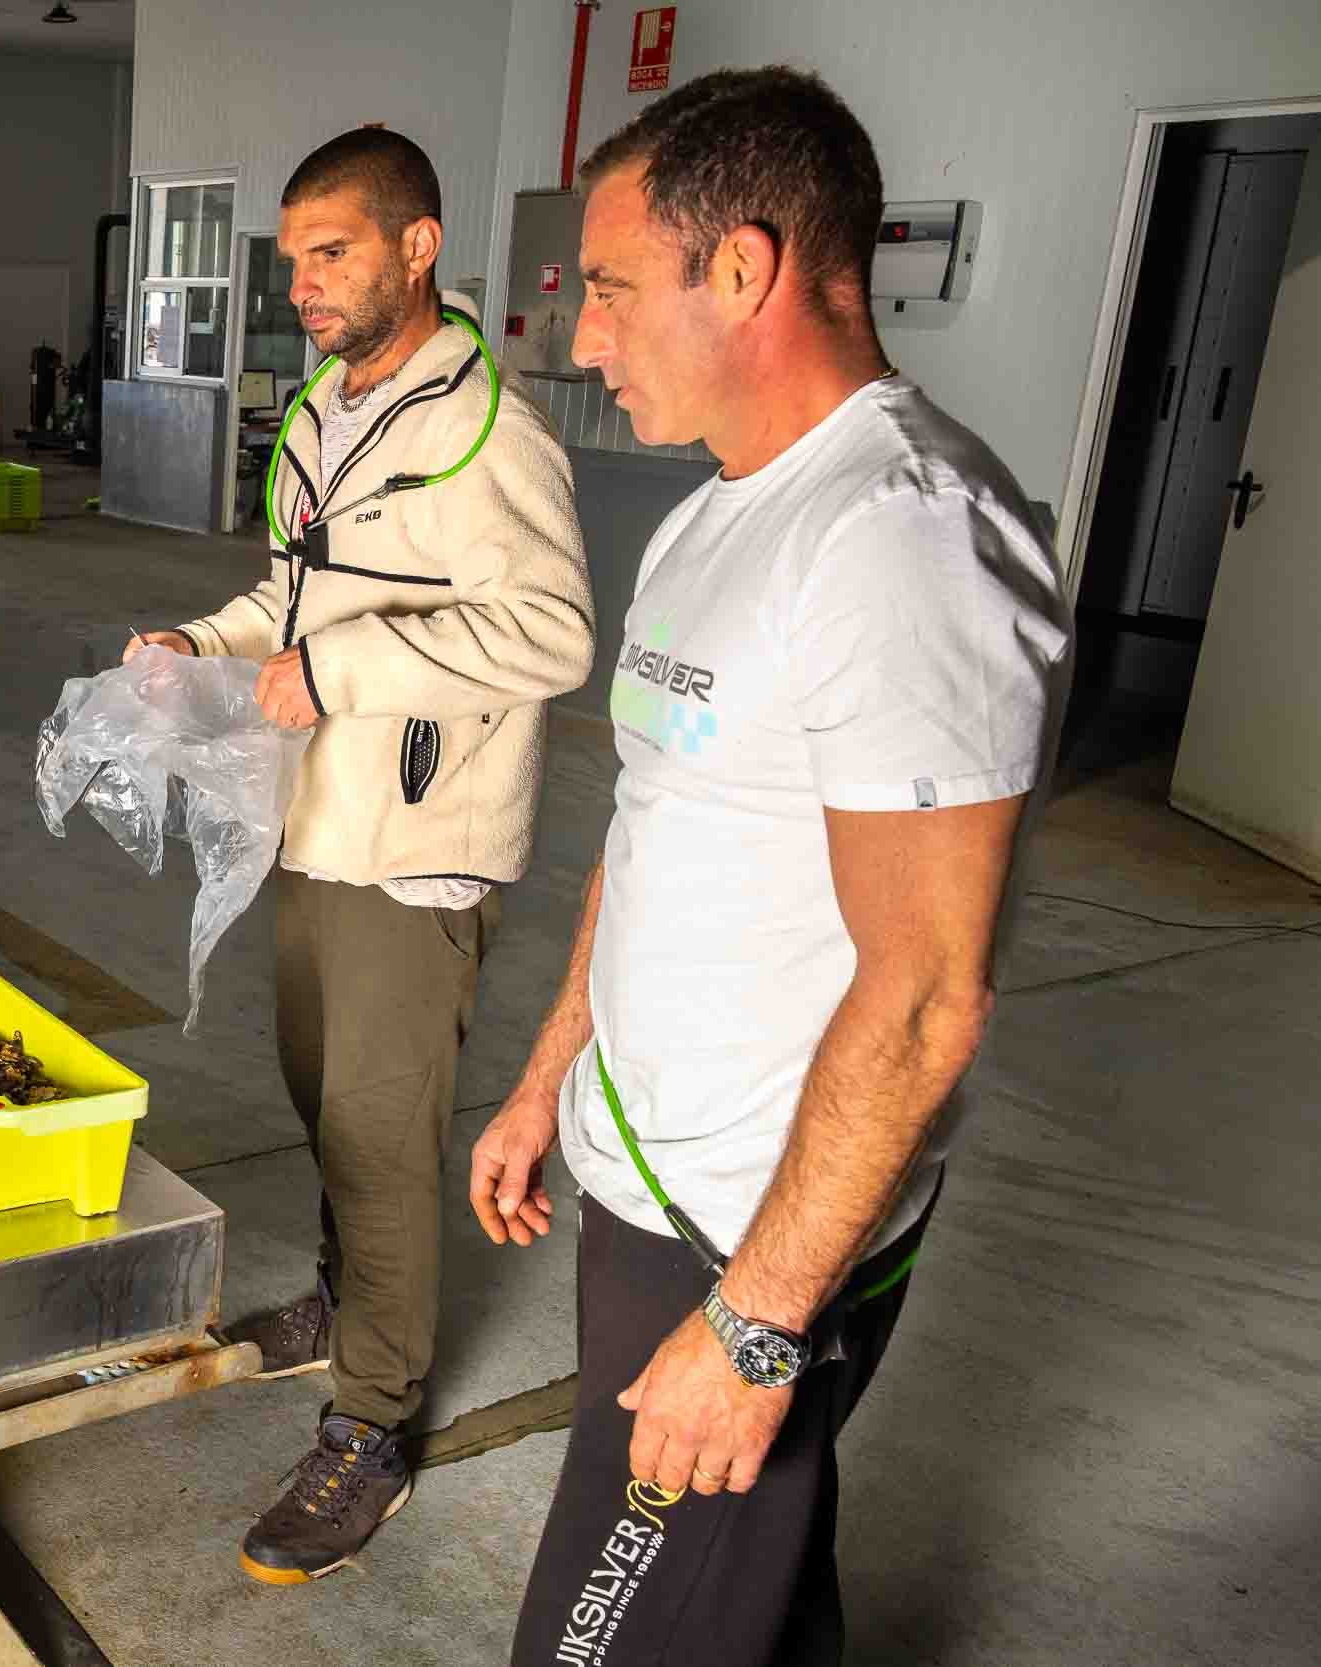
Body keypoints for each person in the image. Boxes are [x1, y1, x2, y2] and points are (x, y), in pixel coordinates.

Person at [467, 68, 1070, 1664]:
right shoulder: (717, 512)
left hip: (754, 1231)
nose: (579, 338)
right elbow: (654, 828)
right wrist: (552, 1075)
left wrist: (753, 1320)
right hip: (654, 1177)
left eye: (605, 287)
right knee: (754, 1588)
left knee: (600, 1640)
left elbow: (931, 988)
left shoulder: (903, 536)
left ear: (743, 267)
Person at [129, 127, 594, 1585]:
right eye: (292, 260)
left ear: (417, 245)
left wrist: (342, 673)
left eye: (330, 253)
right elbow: (296, 586)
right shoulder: (331, 407)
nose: (303, 286)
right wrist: (201, 644)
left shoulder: (492, 426)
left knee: (386, 1142)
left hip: (423, 845)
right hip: (318, 823)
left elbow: (554, 633)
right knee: (325, 1099)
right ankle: (346, 1302)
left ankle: (377, 1421)